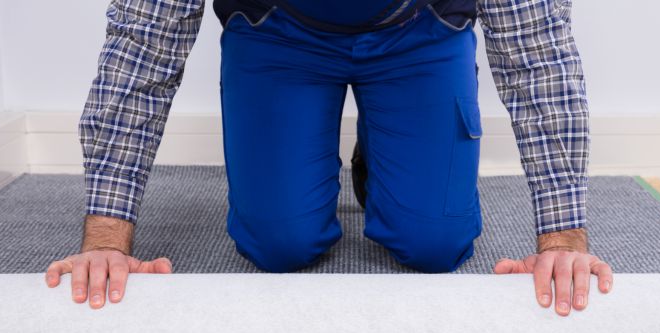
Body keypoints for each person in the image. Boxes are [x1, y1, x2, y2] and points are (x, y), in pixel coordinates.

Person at [46, 0, 613, 316]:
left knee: (435, 244)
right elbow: (143, 47)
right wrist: (105, 242)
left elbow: (539, 56)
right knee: (277, 244)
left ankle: (384, 149)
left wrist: (562, 241)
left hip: (420, 31)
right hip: (277, 31)